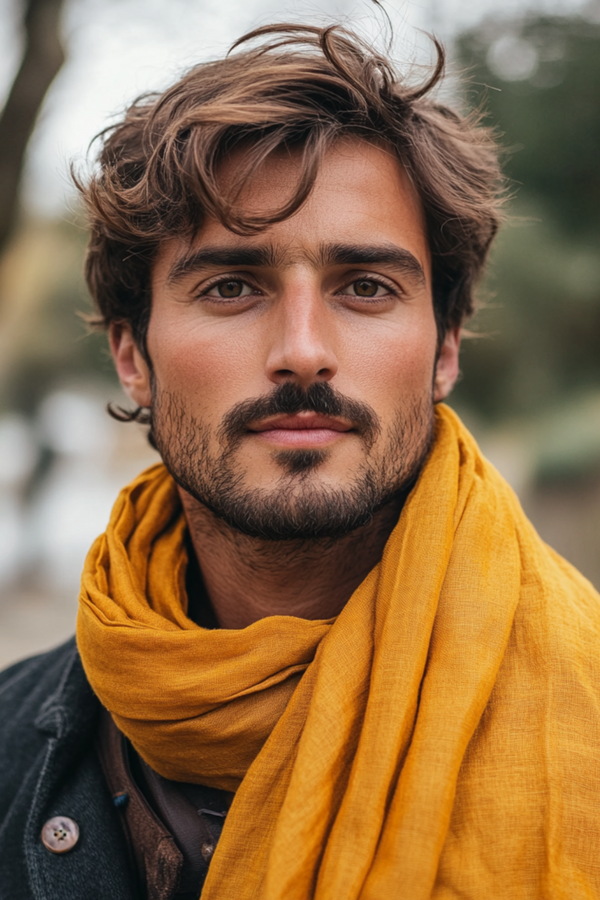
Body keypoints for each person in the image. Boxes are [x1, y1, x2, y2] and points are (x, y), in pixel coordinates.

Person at [1, 22, 600, 900]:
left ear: (445, 348)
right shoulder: (13, 744)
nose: (304, 351)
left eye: (366, 286)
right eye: (231, 286)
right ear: (133, 354)